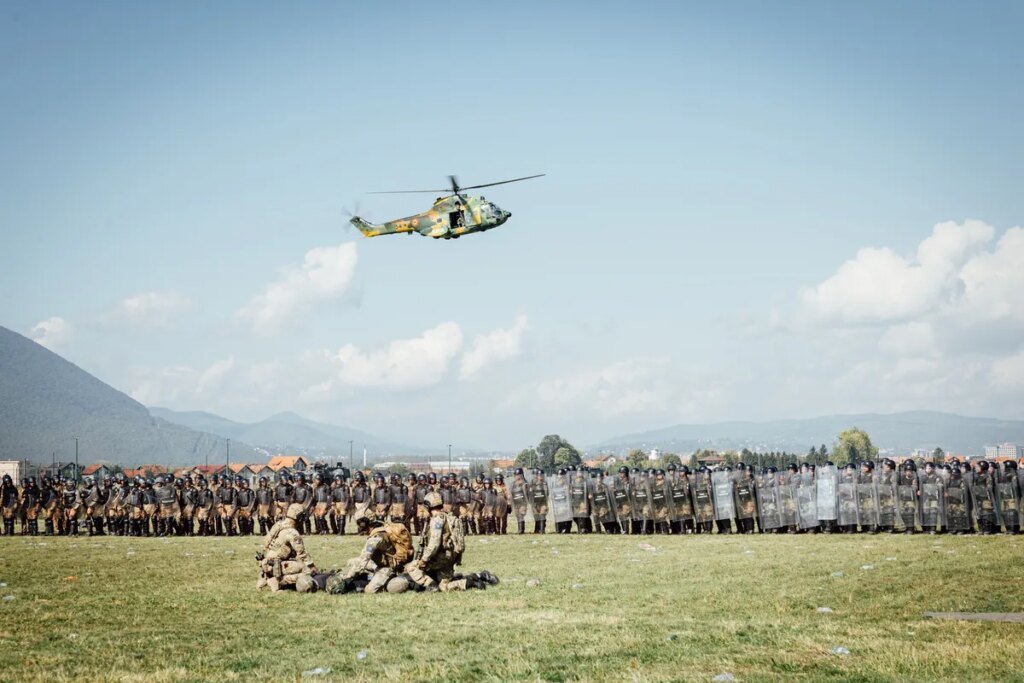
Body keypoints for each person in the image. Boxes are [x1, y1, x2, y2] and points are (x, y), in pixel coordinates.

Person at [403, 491, 498, 592]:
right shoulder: (449, 518)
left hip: (439, 558)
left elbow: (434, 544)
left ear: (428, 505)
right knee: (444, 586)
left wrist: (424, 560)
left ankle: (431, 585)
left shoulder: (437, 520)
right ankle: (471, 581)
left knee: (411, 567)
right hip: (450, 559)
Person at [331, 507, 415, 594]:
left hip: (387, 568)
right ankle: (373, 576)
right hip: (380, 563)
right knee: (351, 561)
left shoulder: (376, 537)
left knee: (369, 590)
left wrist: (349, 577)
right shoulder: (381, 526)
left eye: (360, 523)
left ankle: (396, 580)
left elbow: (364, 559)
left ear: (365, 523)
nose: (359, 526)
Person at [257, 503, 317, 592]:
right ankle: (279, 581)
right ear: (297, 516)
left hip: (268, 563)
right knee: (307, 571)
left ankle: (267, 577)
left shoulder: (279, 525)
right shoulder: (292, 533)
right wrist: (312, 567)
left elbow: (266, 542)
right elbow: (302, 553)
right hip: (277, 565)